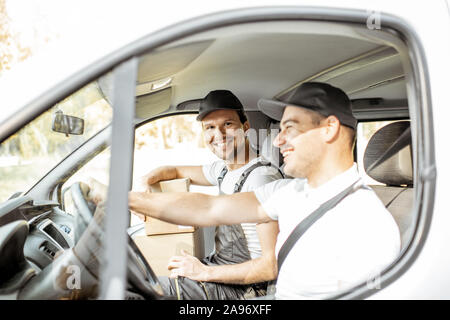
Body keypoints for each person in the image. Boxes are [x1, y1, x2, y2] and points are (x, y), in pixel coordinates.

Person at [128, 82, 401, 299]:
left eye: (290, 128)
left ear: (329, 129)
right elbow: (208, 208)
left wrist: (204, 273)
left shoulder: (368, 224)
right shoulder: (287, 192)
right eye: (279, 128)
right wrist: (126, 199)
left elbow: (269, 267)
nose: (278, 139)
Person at [137, 90, 283, 299]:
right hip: (223, 274)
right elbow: (174, 170)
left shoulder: (261, 179)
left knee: (144, 291)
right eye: (210, 127)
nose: (219, 134)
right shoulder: (223, 170)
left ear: (246, 127)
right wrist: (144, 183)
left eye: (228, 124)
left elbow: (270, 266)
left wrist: (204, 272)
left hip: (247, 290)